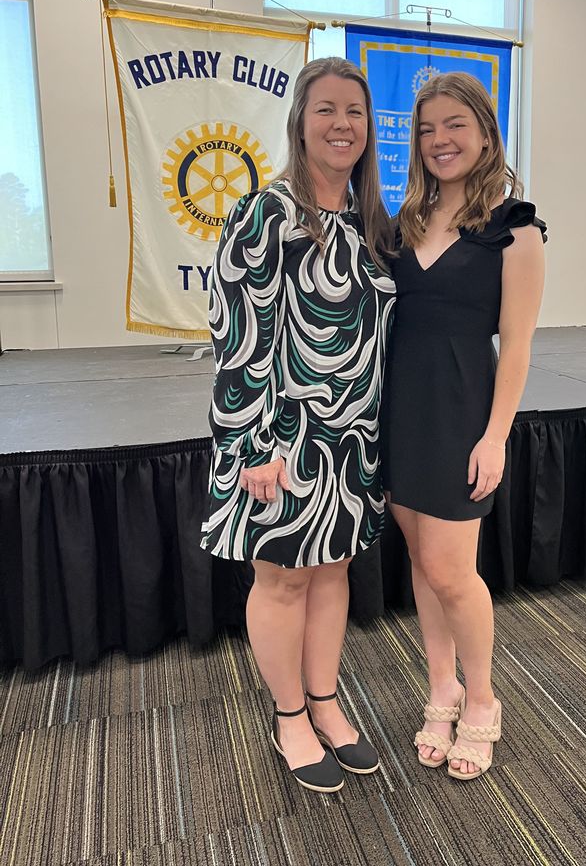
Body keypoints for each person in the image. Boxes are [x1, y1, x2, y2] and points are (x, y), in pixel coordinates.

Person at [201, 56, 396, 794]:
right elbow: (236, 333)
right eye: (326, 109)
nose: (342, 123)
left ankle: (325, 699)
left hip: (352, 443)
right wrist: (251, 444)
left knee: (333, 572)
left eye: (355, 111)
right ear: (300, 122)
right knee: (281, 580)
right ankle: (288, 716)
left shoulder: (373, 222)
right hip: (279, 440)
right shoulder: (267, 211)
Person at [382, 71, 546, 781]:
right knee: (423, 564)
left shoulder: (516, 229)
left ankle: (481, 699)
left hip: (460, 418)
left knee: (454, 570)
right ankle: (439, 686)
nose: (439, 140)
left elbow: (518, 344)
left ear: (484, 132)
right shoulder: (402, 224)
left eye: (454, 125)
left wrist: (495, 435)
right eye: (426, 129)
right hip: (397, 416)